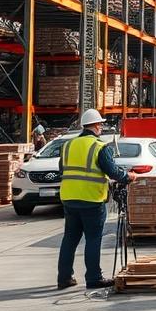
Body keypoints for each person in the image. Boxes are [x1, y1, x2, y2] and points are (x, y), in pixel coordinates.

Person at [56, 109, 141, 290]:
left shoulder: (68, 146)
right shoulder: (99, 147)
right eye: (100, 124)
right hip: (91, 199)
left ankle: (64, 278)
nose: (101, 127)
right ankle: (94, 278)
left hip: (69, 198)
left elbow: (63, 170)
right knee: (93, 239)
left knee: (69, 238)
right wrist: (129, 176)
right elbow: (113, 172)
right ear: (95, 126)